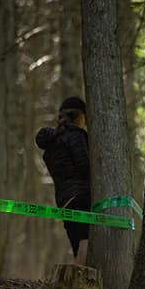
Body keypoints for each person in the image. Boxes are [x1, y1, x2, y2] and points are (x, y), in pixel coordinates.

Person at [35, 96, 90, 265]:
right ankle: (78, 288)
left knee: (77, 247)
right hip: (81, 198)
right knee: (85, 246)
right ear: (80, 116)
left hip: (64, 200)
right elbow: (84, 167)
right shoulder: (76, 136)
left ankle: (72, 286)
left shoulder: (53, 142)